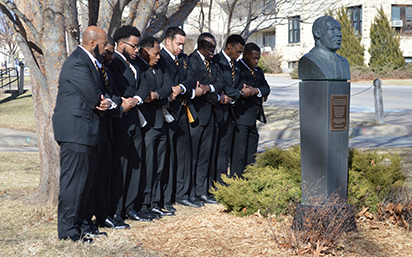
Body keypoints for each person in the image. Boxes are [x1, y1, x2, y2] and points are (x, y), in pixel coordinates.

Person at [53, 26, 110, 242]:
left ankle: (83, 225)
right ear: (93, 43)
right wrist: (104, 101)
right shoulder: (77, 61)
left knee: (86, 183)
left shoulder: (91, 62)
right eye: (104, 44)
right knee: (74, 182)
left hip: (88, 131)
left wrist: (106, 101)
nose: (106, 49)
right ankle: (68, 231)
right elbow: (95, 96)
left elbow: (103, 96)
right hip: (75, 131)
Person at [109, 25, 151, 223]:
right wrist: (130, 98)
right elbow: (119, 88)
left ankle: (130, 207)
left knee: (136, 165)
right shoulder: (113, 62)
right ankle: (116, 210)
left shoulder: (136, 65)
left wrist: (137, 99)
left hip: (135, 119)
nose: (136, 50)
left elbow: (144, 86)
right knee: (120, 168)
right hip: (120, 122)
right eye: (133, 46)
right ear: (120, 43)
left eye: (137, 46)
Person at [93, 36, 133, 229]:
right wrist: (114, 103)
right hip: (95, 128)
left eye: (110, 52)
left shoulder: (108, 69)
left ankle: (106, 213)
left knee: (106, 176)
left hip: (108, 128)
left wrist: (113, 102)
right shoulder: (93, 69)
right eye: (107, 53)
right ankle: (98, 215)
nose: (110, 56)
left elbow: (115, 93)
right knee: (97, 176)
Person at [158, 27, 199, 209]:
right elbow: (164, 82)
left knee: (183, 155)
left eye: (183, 44)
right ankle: (166, 198)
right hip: (166, 112)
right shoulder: (160, 58)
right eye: (178, 43)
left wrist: (180, 88)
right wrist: (171, 89)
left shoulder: (183, 59)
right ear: (168, 41)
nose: (181, 47)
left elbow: (191, 79)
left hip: (182, 110)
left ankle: (182, 194)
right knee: (168, 157)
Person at [134, 36, 175, 218]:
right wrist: (160, 95)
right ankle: (144, 204)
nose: (158, 57)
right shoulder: (139, 68)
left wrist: (158, 95)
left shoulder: (159, 67)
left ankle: (156, 202)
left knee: (159, 166)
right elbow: (144, 92)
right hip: (148, 124)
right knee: (149, 166)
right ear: (145, 51)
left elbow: (168, 87)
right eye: (155, 53)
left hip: (161, 122)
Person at [189, 32, 223, 205]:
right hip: (196, 115)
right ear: (200, 46)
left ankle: (202, 191)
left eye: (214, 47)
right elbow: (195, 89)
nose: (213, 51)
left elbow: (219, 83)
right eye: (210, 47)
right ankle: (191, 192)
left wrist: (208, 88)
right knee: (193, 156)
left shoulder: (213, 63)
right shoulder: (191, 61)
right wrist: (211, 93)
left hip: (211, 115)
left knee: (205, 155)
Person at [231, 42, 270, 178]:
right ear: (245, 55)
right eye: (254, 58)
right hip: (241, 118)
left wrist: (255, 90)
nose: (256, 61)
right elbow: (242, 91)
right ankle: (237, 180)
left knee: (251, 152)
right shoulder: (238, 69)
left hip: (253, 117)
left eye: (258, 58)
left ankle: (249, 178)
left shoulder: (258, 71)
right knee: (239, 153)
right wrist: (258, 93)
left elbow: (266, 88)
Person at [211, 34, 245, 185]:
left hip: (231, 112)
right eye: (237, 51)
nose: (239, 55)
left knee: (225, 150)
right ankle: (214, 181)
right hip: (217, 111)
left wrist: (235, 94)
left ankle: (222, 180)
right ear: (229, 46)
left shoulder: (236, 65)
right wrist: (239, 93)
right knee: (216, 150)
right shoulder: (216, 61)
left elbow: (236, 85)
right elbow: (221, 85)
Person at [298, 16, 350, 81]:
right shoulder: (309, 60)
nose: (339, 34)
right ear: (317, 33)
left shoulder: (344, 62)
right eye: (332, 29)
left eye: (339, 30)